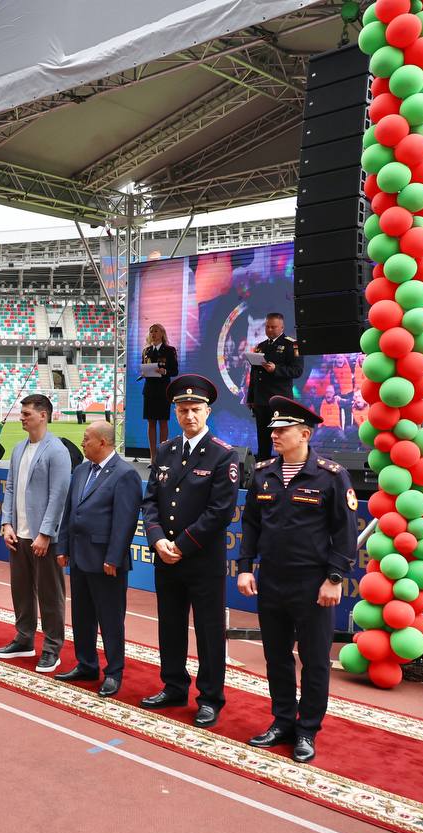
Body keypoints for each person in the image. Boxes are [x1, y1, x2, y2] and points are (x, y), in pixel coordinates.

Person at [237, 396, 356, 764]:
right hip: (272, 580)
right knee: (276, 657)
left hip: (312, 583)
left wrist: (334, 578)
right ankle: (283, 721)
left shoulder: (331, 475)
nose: (274, 435)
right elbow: (251, 524)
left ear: (305, 434)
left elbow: (345, 533)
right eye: (273, 429)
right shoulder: (263, 473)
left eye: (283, 430)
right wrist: (245, 567)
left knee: (315, 660)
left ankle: (307, 730)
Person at [139, 375, 240, 726]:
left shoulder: (223, 455)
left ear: (208, 411)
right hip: (166, 557)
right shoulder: (166, 450)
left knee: (209, 632)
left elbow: (220, 512)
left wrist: (180, 546)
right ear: (175, 412)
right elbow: (150, 501)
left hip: (201, 559)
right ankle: (173, 685)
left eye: (196, 409)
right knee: (170, 625)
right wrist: (157, 540)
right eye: (183, 410)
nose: (189, 415)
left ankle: (210, 697)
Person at [55, 421, 143, 698]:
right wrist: (63, 546)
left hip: (106, 562)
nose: (82, 443)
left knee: (110, 620)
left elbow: (125, 522)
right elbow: (70, 512)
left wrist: (114, 557)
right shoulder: (81, 470)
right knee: (82, 616)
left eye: (87, 439)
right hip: (79, 557)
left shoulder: (125, 474)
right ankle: (86, 664)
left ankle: (114, 672)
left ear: (102, 442)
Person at [0, 393, 72, 673]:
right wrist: (7, 523)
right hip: (18, 535)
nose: (22, 418)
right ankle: (24, 638)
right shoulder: (18, 449)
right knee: (21, 590)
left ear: (43, 415)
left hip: (43, 538)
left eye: (26, 414)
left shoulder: (57, 450)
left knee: (50, 594)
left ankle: (52, 648)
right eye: (22, 413)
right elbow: (10, 488)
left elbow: (59, 494)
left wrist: (46, 533)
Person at [246, 312, 303, 460]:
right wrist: (251, 398)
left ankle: (284, 467)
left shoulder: (292, 345)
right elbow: (254, 375)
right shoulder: (260, 347)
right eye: (267, 327)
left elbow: (297, 371)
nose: (269, 330)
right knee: (263, 438)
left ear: (282, 327)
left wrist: (276, 369)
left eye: (273, 327)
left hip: (279, 401)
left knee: (282, 437)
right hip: (261, 401)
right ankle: (262, 466)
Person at [140, 324, 178, 466]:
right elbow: (143, 367)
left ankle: (162, 457)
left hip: (163, 391)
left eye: (156, 331)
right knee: (151, 423)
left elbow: (175, 371)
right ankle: (153, 458)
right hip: (149, 390)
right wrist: (144, 373)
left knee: (163, 422)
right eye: (151, 331)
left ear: (162, 333)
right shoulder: (146, 351)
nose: (153, 333)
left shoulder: (170, 350)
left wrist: (165, 371)